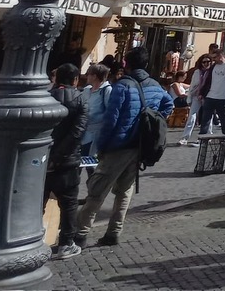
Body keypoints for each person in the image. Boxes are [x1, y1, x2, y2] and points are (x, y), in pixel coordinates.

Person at [74, 46, 174, 248]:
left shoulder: (122, 86)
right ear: (146, 63)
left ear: (127, 64)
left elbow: (111, 120)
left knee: (97, 190)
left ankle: (80, 233)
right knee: (125, 190)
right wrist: (153, 119)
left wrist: (102, 145)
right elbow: (169, 104)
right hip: (139, 145)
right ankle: (114, 232)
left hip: (118, 145)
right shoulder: (155, 86)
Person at [46, 63, 88, 260]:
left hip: (44, 158)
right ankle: (66, 243)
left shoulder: (46, 96)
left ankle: (33, 239)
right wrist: (60, 156)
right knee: (69, 204)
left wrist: (51, 156)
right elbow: (77, 132)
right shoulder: (81, 100)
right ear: (75, 80)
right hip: (68, 161)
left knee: (38, 202)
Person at [79, 63, 111, 163]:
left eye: (88, 74)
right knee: (81, 161)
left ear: (95, 76)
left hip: (96, 134)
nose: (86, 76)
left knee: (91, 162)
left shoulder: (107, 90)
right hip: (83, 131)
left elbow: (110, 112)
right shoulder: (86, 90)